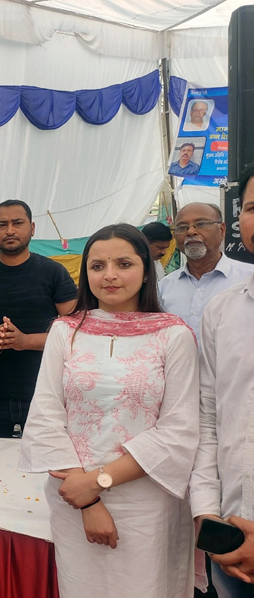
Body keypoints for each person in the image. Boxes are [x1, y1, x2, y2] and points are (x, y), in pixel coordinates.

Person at [19, 223, 199, 598]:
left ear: (147, 270)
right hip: (73, 496)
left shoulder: (173, 335)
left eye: (124, 263)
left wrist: (99, 482)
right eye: (97, 266)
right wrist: (89, 499)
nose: (110, 275)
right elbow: (46, 416)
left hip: (146, 499)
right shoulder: (64, 332)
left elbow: (178, 429)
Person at [0, 199, 77, 437]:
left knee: (45, 466)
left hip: (45, 395)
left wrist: (25, 341)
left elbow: (75, 332)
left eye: (17, 223)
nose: (10, 230)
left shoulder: (54, 273)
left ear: (32, 227)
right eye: (2, 224)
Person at [191, 166, 254, 597]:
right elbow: (209, 417)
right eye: (252, 208)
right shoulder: (223, 310)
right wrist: (206, 513)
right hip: (231, 535)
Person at [159, 202, 254, 346]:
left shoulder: (249, 278)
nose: (191, 232)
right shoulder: (164, 288)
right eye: (182, 227)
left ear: (222, 230)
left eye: (201, 224)